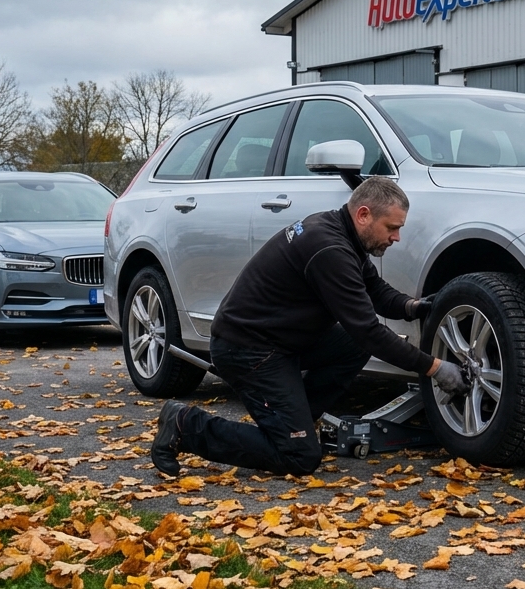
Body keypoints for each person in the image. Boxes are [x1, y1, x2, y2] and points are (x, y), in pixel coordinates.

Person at [149, 176, 467, 477]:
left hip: (279, 341)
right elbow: (369, 332)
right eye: (392, 228)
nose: (396, 237)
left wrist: (414, 306)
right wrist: (435, 368)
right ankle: (185, 424)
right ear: (364, 215)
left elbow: (375, 290)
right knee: (299, 456)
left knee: (351, 348)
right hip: (247, 349)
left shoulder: (339, 232)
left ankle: (295, 421)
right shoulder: (330, 249)